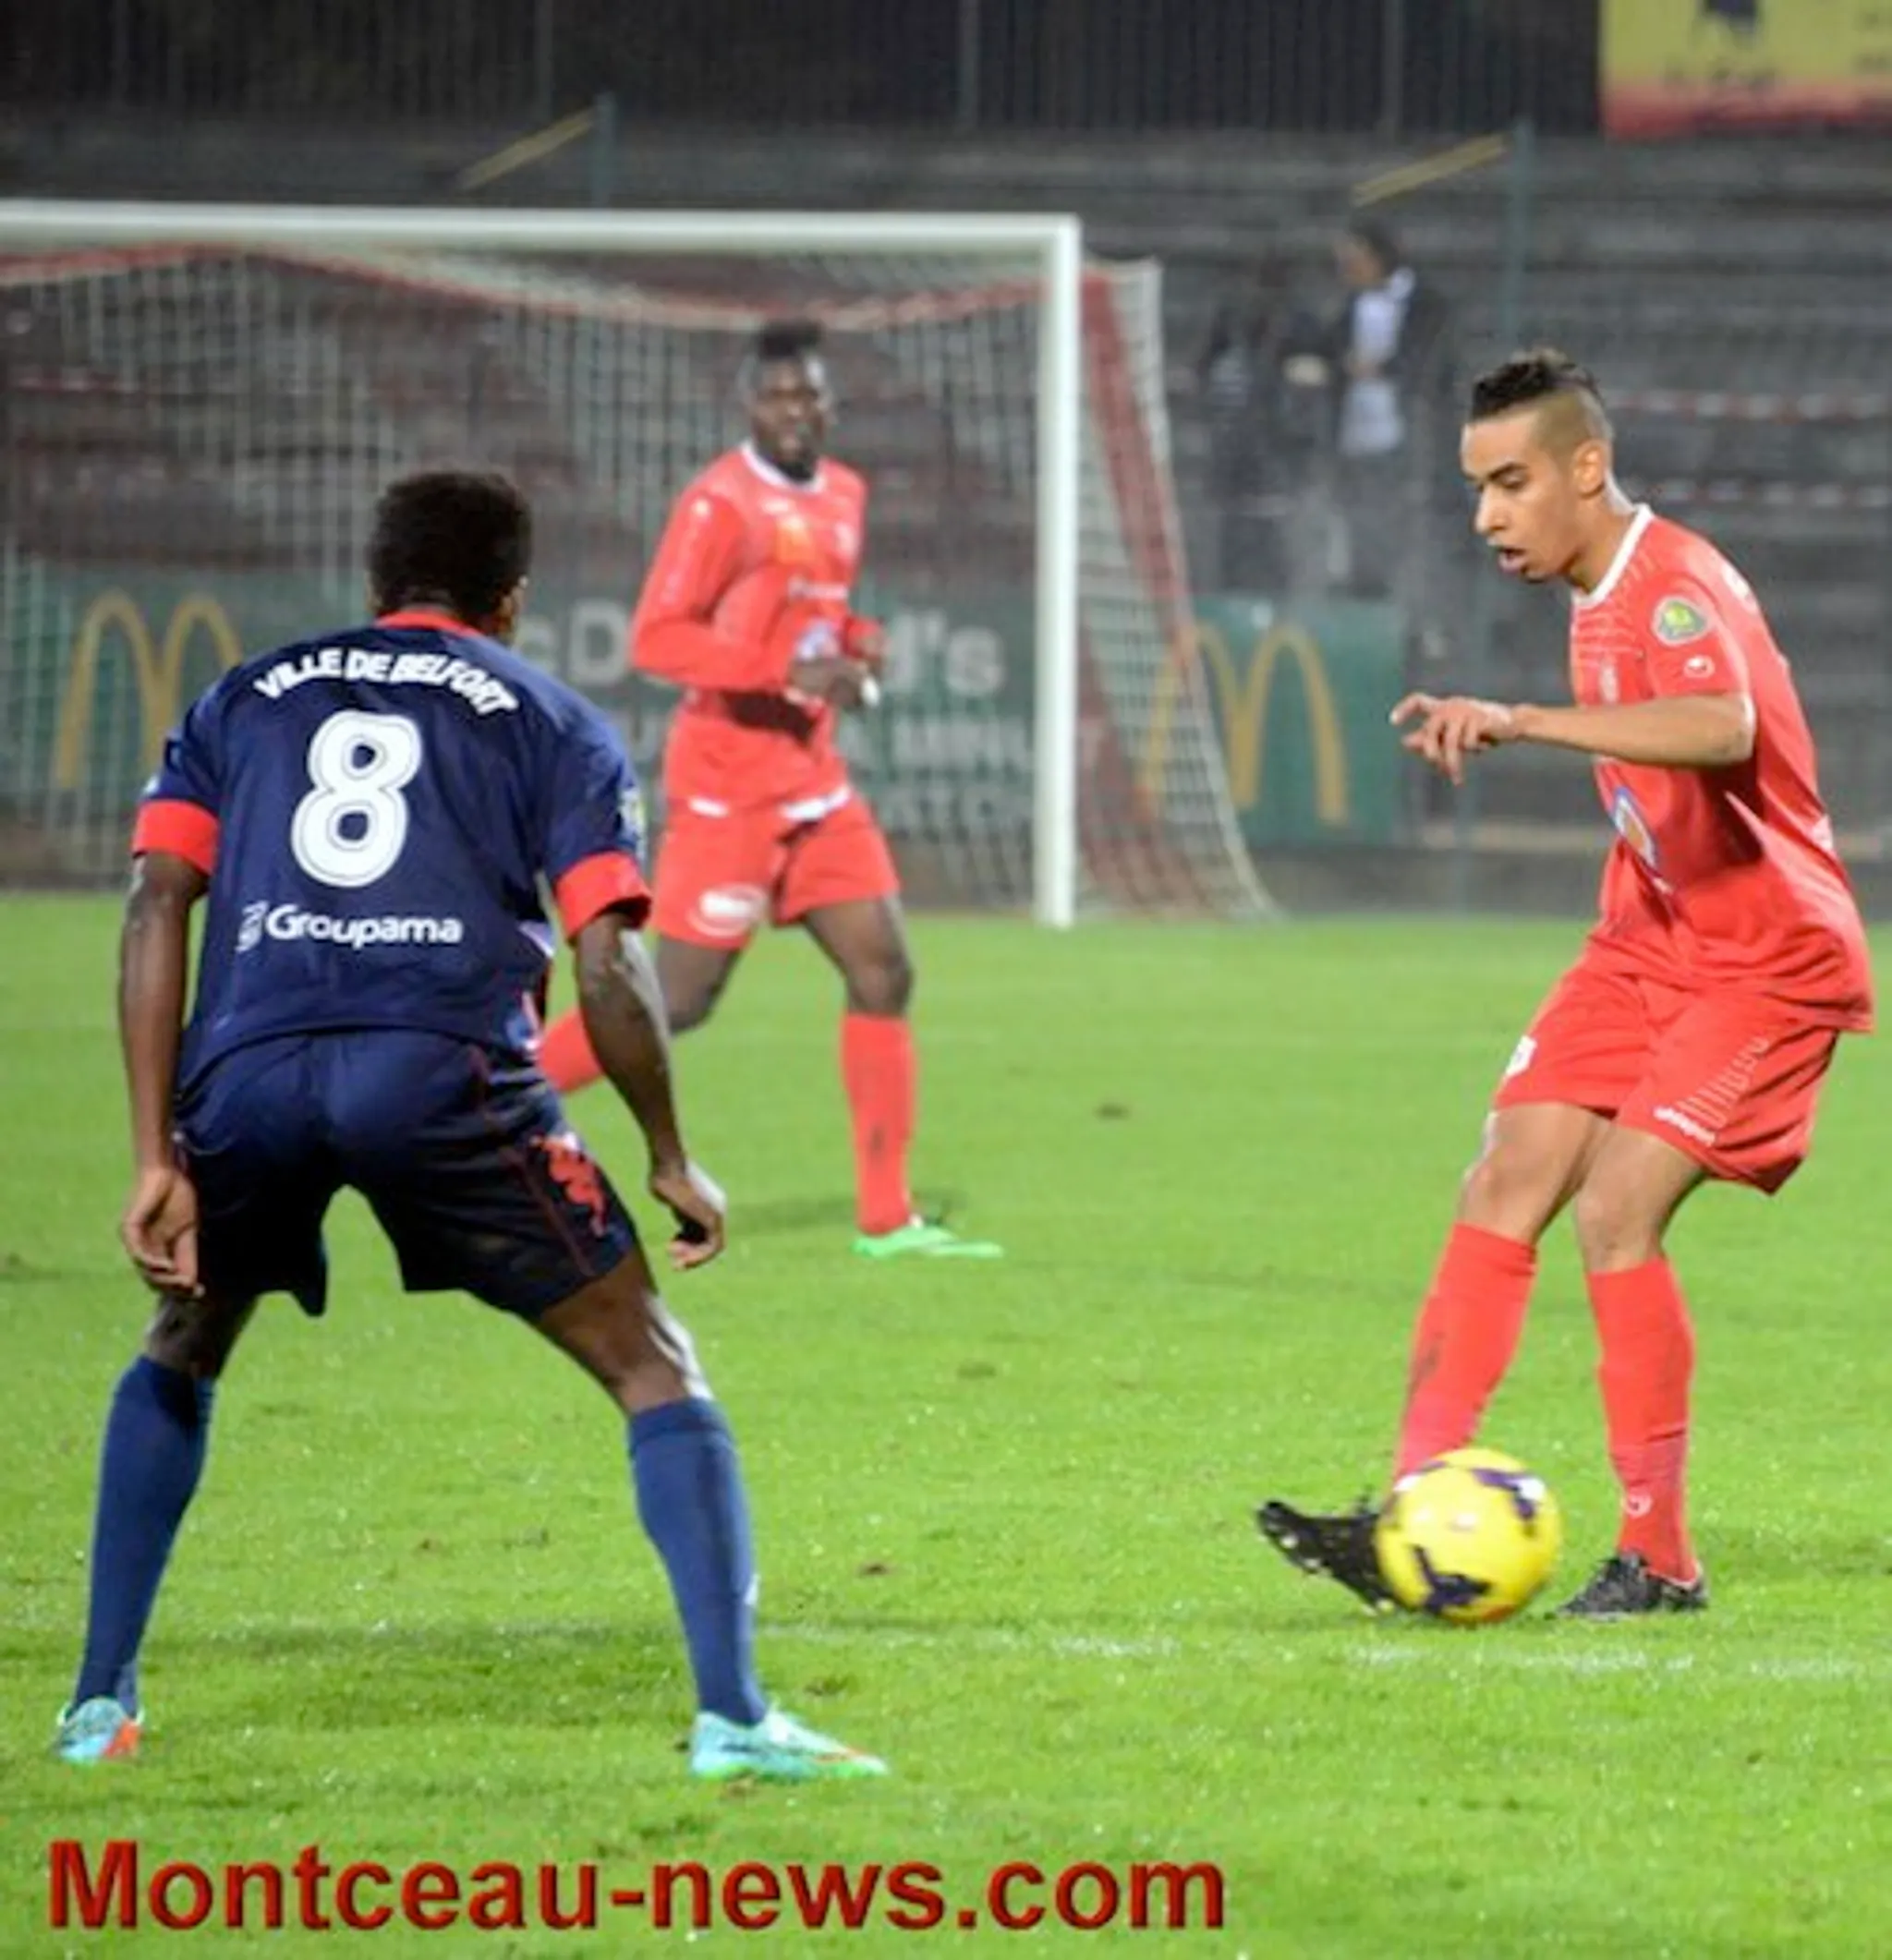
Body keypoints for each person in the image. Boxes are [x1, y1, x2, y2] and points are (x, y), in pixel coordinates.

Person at [55, 469, 886, 1782]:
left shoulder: (241, 694)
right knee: (650, 1359)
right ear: (512, 597)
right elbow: (613, 967)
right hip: (443, 1073)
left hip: (250, 1069)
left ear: (375, 581)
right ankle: (733, 1717)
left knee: (185, 1337)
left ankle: (97, 1705)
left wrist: (158, 1152)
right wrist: (669, 1152)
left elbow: (157, 903)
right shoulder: (553, 718)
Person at [1257, 350, 1874, 1619]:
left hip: (1766, 962)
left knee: (1614, 1213)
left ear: (1586, 468)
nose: (1487, 514)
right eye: (1477, 487)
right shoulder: (1593, 585)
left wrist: (1523, 720)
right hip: (1647, 938)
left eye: (1510, 482)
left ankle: (1662, 1557)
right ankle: (1414, 1507)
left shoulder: (1674, 584)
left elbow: (1722, 728)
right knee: (1507, 1176)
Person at [534, 319, 1000, 1262]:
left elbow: (814, 618)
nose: (797, 412)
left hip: (814, 781)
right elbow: (658, 637)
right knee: (678, 999)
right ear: (751, 405)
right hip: (729, 786)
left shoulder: (845, 494)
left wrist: (850, 648)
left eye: (811, 396)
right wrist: (786, 666)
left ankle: (884, 1218)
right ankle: (479, 1106)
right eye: (779, 397)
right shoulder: (719, 504)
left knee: (883, 969)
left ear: (828, 404)